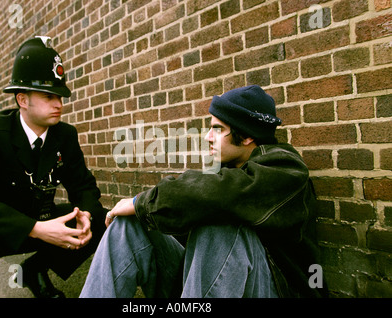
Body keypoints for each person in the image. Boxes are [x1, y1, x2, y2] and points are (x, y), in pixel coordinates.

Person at [80, 85, 327, 298]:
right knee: (129, 224)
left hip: (276, 289)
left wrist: (140, 201)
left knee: (220, 220)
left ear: (248, 135)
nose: (208, 137)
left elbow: (218, 195)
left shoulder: (286, 169)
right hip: (206, 288)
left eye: (217, 129)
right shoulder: (225, 170)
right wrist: (141, 210)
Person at [0, 36, 106, 298]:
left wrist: (86, 214)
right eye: (48, 96)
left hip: (38, 215)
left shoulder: (64, 135)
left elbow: (83, 185)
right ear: (22, 99)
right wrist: (36, 228)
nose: (58, 104)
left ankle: (35, 270)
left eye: (61, 96)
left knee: (101, 219)